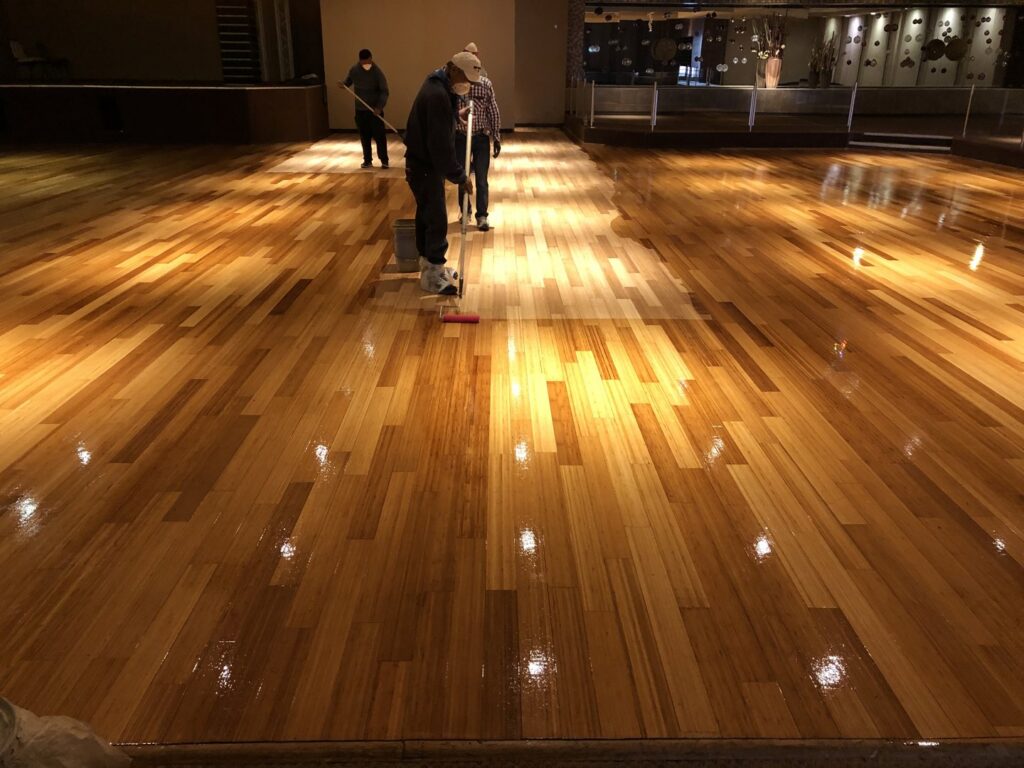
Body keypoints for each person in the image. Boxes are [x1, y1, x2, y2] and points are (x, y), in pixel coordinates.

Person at [404, 51, 482, 295]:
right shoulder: (437, 94)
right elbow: (440, 148)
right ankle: (433, 276)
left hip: (422, 165)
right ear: (453, 69)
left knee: (427, 215)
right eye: (465, 79)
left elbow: (437, 123)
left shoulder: (438, 85)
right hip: (425, 167)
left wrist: (455, 115)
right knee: (436, 218)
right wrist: (461, 176)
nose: (467, 85)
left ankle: (430, 267)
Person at [456, 42, 501, 232]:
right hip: (460, 136)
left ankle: (482, 215)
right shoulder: (456, 85)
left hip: (481, 137)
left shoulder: (485, 84)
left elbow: (492, 110)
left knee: (482, 178)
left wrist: (496, 136)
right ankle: (465, 210)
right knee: (462, 176)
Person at [342, 49, 389, 169]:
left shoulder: (377, 72)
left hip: (374, 111)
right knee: (364, 136)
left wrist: (379, 107)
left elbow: (384, 91)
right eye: (363, 63)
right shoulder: (354, 70)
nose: (366, 65)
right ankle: (367, 160)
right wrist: (343, 85)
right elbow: (348, 82)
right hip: (360, 110)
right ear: (360, 61)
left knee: (379, 136)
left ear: (371, 59)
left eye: (368, 62)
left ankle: (384, 160)